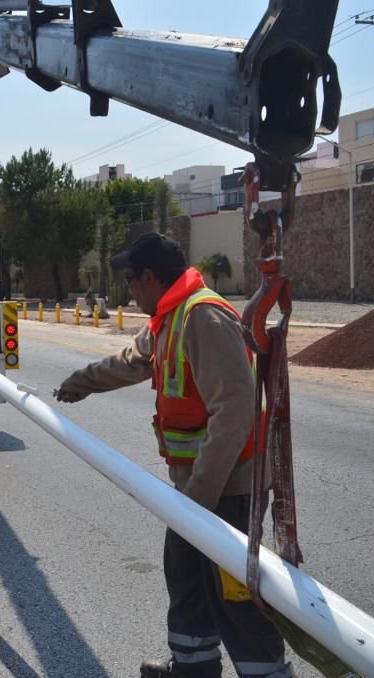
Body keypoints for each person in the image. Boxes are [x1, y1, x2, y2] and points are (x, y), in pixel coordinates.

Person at [56, 233, 290, 678]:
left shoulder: (202, 316)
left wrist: (198, 501)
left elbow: (234, 411)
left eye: (131, 281)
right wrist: (80, 381)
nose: (129, 292)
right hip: (194, 490)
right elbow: (132, 360)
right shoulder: (169, 316)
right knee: (187, 580)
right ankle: (193, 666)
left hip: (227, 488)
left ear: (150, 277)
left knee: (235, 598)